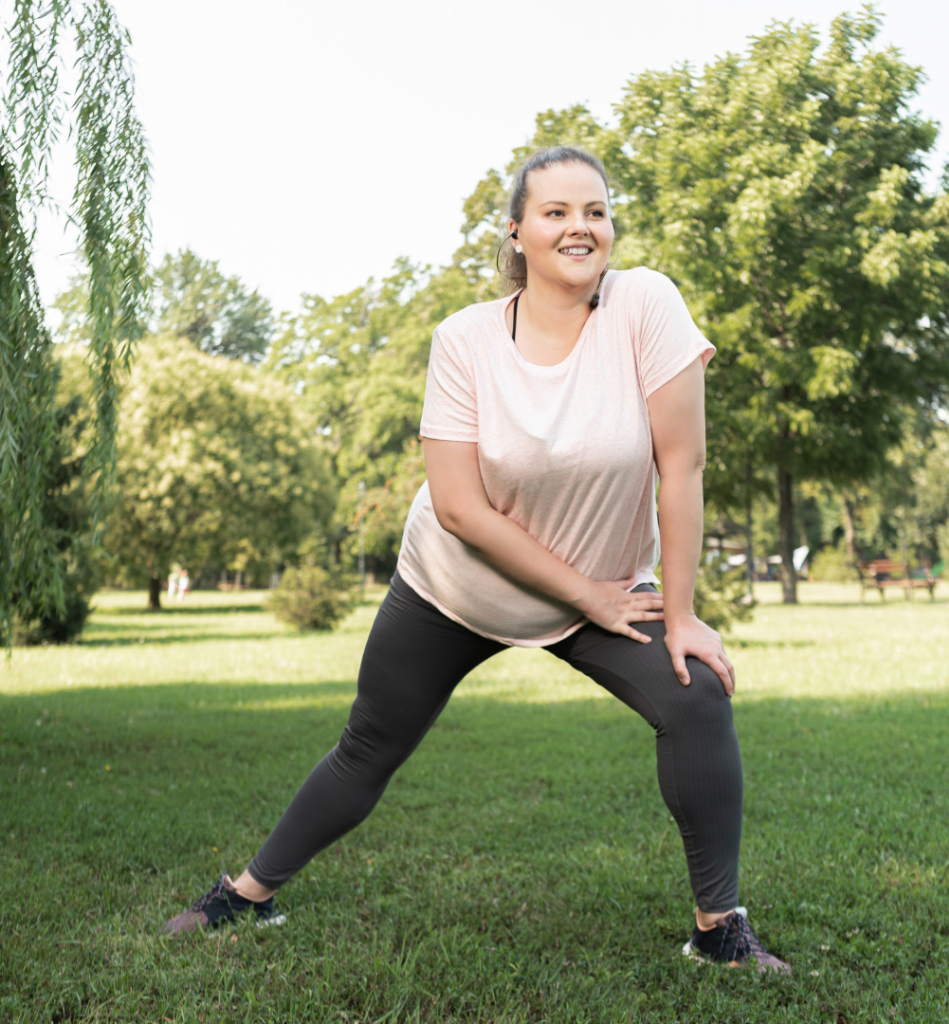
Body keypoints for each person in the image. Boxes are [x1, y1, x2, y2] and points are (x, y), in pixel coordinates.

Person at [163, 146, 789, 973]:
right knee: (368, 746)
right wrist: (593, 600)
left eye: (595, 211)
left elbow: (683, 467)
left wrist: (677, 617)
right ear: (517, 233)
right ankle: (246, 895)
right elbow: (460, 507)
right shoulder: (463, 341)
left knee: (697, 692)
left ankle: (720, 932)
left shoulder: (645, 304)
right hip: (455, 587)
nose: (580, 227)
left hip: (602, 589)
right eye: (557, 212)